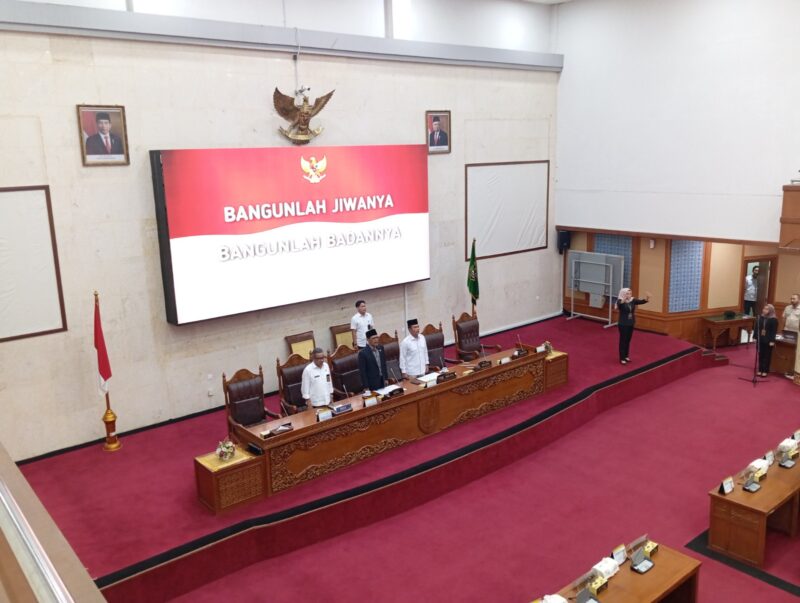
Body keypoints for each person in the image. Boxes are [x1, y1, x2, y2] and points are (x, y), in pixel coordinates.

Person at [616, 288, 650, 365]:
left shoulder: (632, 300)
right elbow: (619, 305)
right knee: (623, 340)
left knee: (628, 340)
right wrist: (624, 299)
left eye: (630, 293)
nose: (629, 295)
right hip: (623, 324)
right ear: (623, 294)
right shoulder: (620, 301)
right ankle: (622, 358)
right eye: (627, 293)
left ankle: (626, 356)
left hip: (631, 323)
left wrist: (647, 297)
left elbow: (641, 301)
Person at [755, 304, 778, 377]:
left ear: (770, 311)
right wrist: (755, 336)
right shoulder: (760, 318)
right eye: (764, 308)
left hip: (768, 340)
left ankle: (765, 370)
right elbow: (757, 328)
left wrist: (772, 341)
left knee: (767, 356)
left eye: (766, 309)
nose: (764, 310)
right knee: (760, 355)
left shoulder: (774, 320)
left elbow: (773, 331)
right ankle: (760, 369)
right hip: (760, 339)